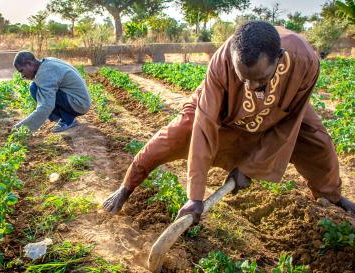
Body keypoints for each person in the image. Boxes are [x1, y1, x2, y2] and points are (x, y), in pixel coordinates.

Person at [103, 21, 355, 223]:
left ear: (279, 58)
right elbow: (205, 125)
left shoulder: (306, 63)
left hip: (282, 106)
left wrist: (250, 167)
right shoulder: (221, 63)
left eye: (260, 79)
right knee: (176, 134)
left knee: (317, 141)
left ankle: (330, 197)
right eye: (243, 78)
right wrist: (195, 197)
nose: (251, 86)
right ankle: (126, 187)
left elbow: (288, 125)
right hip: (222, 106)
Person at [13, 51, 91, 133]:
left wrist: (20, 128)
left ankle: (68, 120)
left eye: (21, 71)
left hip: (79, 104)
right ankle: (65, 118)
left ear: (29, 63)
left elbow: (46, 106)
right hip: (78, 100)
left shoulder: (46, 73)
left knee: (37, 90)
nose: (22, 76)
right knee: (34, 86)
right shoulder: (47, 62)